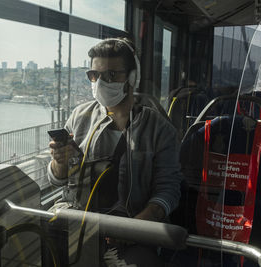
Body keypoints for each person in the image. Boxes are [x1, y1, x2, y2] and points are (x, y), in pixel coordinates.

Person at [47, 37, 183, 265]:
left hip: (132, 231)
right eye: (94, 75)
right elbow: (58, 181)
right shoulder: (80, 117)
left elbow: (169, 191)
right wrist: (59, 162)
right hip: (80, 223)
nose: (100, 82)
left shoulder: (159, 130)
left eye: (111, 75)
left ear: (132, 78)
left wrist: (133, 229)